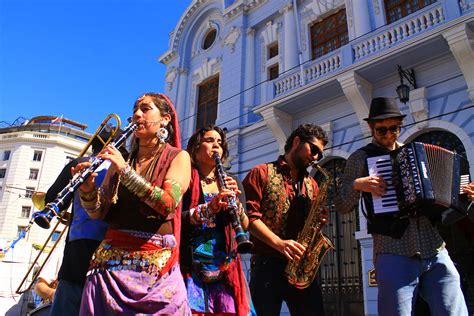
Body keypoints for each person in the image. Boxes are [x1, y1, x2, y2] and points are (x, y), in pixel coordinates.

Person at [334, 97, 468, 315]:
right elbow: (341, 205)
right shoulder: (361, 158)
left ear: (400, 125)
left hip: (433, 247)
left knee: (454, 311)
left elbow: (447, 205)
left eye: (394, 128)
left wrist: (464, 196)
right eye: (381, 130)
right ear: (371, 128)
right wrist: (358, 185)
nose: (388, 135)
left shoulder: (418, 153)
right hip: (393, 249)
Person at [74, 93, 191, 315]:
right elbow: (98, 213)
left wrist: (125, 172)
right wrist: (87, 191)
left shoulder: (178, 157)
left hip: (155, 268)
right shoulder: (122, 161)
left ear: (165, 119)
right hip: (109, 267)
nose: (137, 114)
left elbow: (167, 204)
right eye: (135, 109)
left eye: (145, 109)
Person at [242, 123, 328, 316]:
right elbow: (249, 218)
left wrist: (319, 222)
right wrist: (279, 244)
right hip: (267, 265)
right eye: (313, 149)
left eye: (319, 155)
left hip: (301, 267)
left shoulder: (312, 184)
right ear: (297, 141)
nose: (315, 157)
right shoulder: (261, 172)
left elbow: (311, 225)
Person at [181, 125, 255, 316]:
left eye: (220, 143)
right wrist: (209, 208)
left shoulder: (233, 181)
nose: (216, 146)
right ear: (195, 148)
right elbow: (175, 219)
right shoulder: (186, 179)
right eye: (209, 140)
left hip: (225, 265)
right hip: (192, 263)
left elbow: (245, 225)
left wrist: (236, 203)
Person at [44, 128, 113, 316]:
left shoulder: (80, 164)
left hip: (76, 254)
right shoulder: (124, 167)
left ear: (93, 147)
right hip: (112, 256)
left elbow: (51, 200)